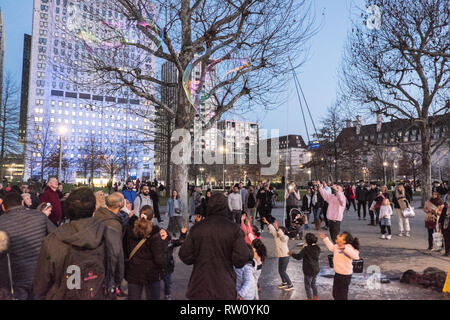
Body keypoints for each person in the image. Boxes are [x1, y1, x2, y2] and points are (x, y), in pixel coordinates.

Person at [32, 187, 123, 300]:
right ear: (95, 208)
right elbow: (118, 274)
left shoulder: (53, 240)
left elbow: (41, 283)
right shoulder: (111, 235)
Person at [178, 193, 252, 300]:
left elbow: (185, 255)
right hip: (224, 286)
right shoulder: (234, 229)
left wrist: (199, 257)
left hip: (200, 285)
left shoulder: (197, 228)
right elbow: (241, 258)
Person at [0, 192, 56, 300]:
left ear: (3, 206)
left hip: (15, 276)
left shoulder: (1, 222)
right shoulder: (40, 216)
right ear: (22, 202)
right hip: (41, 273)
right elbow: (55, 236)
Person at [123, 208, 166, 300]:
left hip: (133, 272)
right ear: (153, 216)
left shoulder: (130, 230)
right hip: (151, 273)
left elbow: (125, 251)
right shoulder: (155, 233)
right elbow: (159, 258)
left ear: (140, 215)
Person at [93, 192, 126, 287]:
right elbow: (116, 252)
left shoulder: (99, 215)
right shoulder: (114, 224)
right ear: (120, 204)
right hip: (107, 269)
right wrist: (118, 277)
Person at [320, 231, 360, 300]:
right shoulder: (336, 246)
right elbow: (331, 247)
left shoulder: (349, 247)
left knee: (342, 295)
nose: (338, 236)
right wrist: (325, 239)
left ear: (344, 241)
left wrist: (345, 248)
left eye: (340, 236)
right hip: (337, 274)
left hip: (345, 275)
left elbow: (356, 256)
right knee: (335, 293)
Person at [263, 217, 293, 291]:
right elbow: (273, 230)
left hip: (285, 255)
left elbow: (282, 237)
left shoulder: (286, 237)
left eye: (280, 230)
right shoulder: (277, 235)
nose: (278, 231)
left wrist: (277, 228)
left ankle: (290, 284)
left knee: (283, 271)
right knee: (280, 271)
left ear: (283, 231)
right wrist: (267, 223)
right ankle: (284, 283)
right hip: (281, 255)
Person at [289, 233, 321, 300]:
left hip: (308, 270)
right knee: (313, 284)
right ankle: (316, 297)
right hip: (316, 269)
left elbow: (299, 257)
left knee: (307, 286)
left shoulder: (306, 249)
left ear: (306, 241)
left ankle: (309, 298)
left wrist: (292, 254)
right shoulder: (317, 248)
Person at [160, 227, 187, 300]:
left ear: (167, 234)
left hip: (168, 266)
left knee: (168, 282)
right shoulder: (155, 242)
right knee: (156, 283)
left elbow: (181, 241)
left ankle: (167, 294)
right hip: (158, 266)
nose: (162, 233)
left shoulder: (170, 242)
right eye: (160, 232)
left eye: (163, 232)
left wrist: (183, 234)